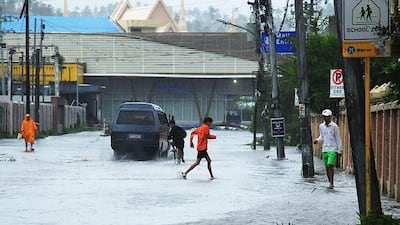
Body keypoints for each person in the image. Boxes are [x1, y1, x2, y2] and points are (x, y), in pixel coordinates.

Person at [313, 109, 342, 189]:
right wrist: (317, 140)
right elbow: (322, 137)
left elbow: (338, 138)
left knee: (330, 165)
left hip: (333, 149)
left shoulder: (335, 126)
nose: (326, 118)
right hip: (325, 149)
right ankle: (329, 182)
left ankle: (332, 183)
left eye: (327, 117)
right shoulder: (321, 126)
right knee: (326, 167)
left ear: (330, 117)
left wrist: (339, 150)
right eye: (324, 117)